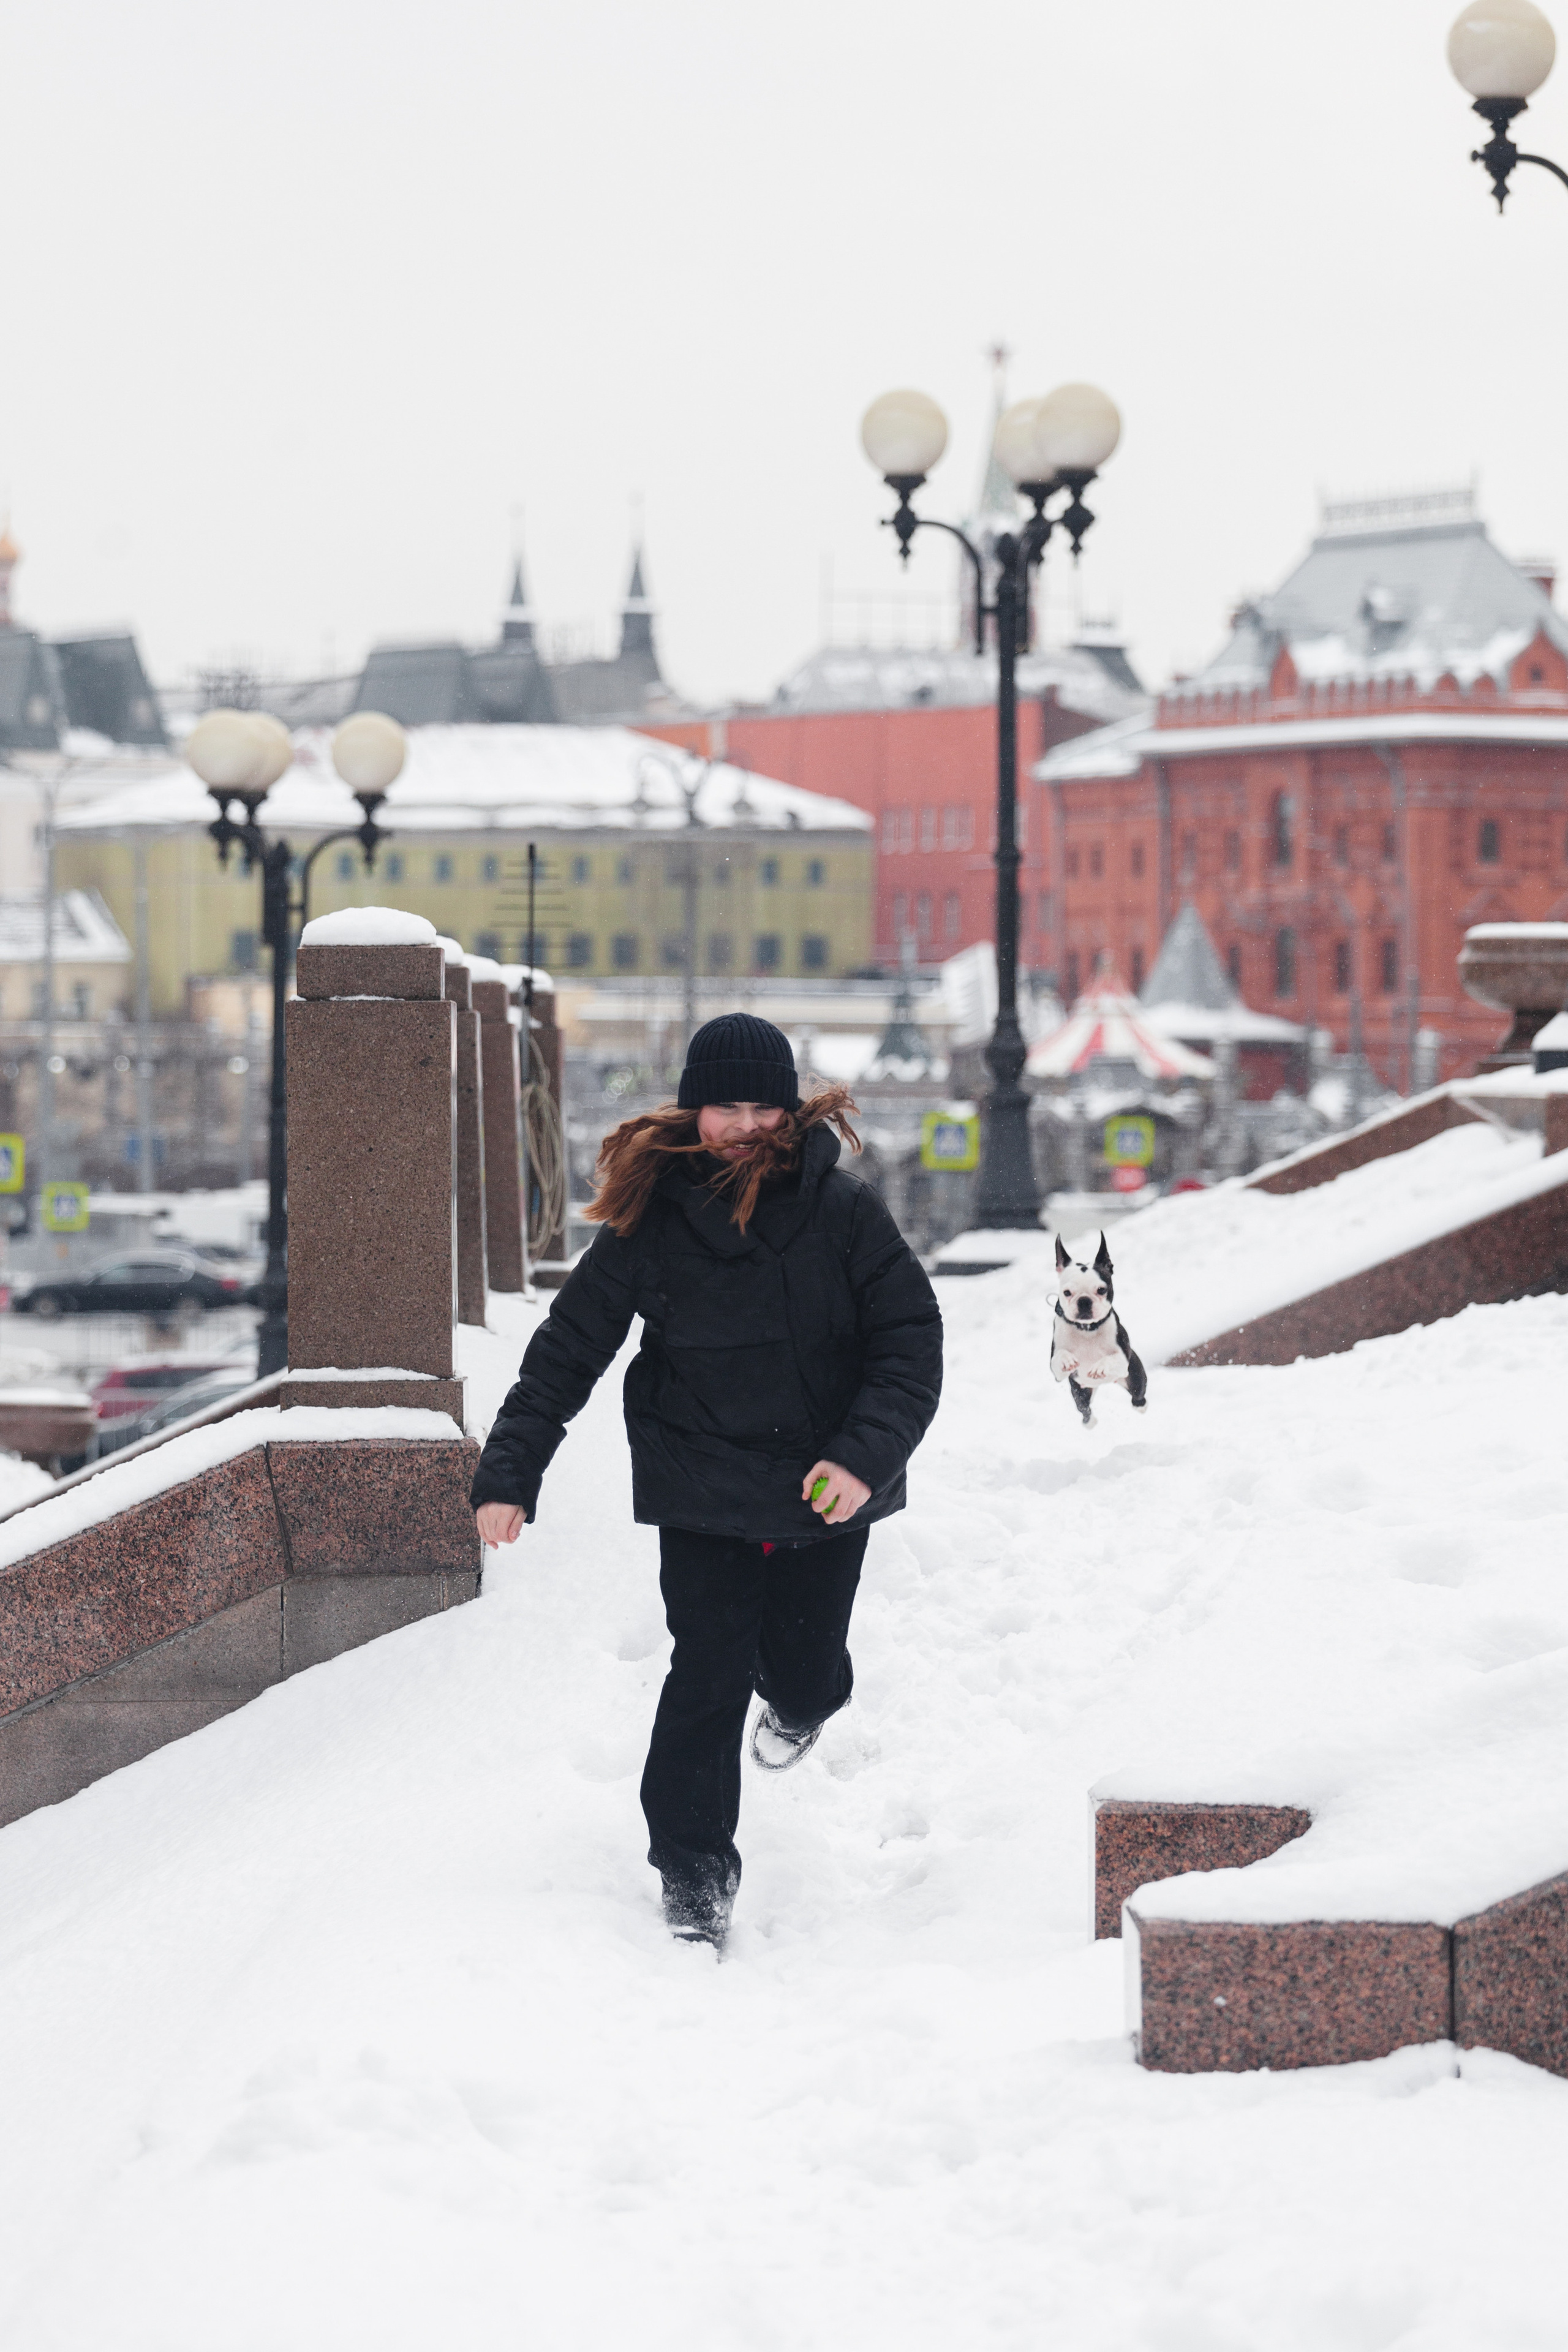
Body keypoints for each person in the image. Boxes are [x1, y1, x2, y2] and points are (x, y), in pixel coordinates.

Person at [472, 1011, 943, 1949]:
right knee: (708, 1674)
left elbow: (909, 1345)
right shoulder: (652, 1223)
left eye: (763, 1105)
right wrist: (511, 1469)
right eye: (724, 1106)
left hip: (822, 1485)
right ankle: (692, 1876)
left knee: (807, 1676)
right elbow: (569, 1350)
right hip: (701, 1483)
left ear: (791, 1109)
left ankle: (802, 1703)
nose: (744, 1124)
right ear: (693, 1112)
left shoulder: (844, 1212)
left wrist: (860, 1460)